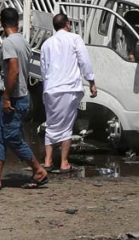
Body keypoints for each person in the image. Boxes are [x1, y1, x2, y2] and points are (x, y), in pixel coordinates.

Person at [0, 7, 50, 191]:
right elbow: (13, 73)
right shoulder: (24, 42)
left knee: (11, 136)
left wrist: (8, 97)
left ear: (1, 24)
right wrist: (2, 91)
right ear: (17, 23)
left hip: (15, 98)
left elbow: (14, 70)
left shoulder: (9, 43)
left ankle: (38, 170)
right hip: (14, 94)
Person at [40, 13, 97, 173]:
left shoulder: (46, 44)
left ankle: (48, 160)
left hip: (51, 88)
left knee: (51, 124)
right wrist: (91, 81)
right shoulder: (75, 39)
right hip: (70, 87)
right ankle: (64, 163)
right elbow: (84, 61)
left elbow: (44, 69)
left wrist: (47, 86)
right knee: (66, 126)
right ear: (67, 24)